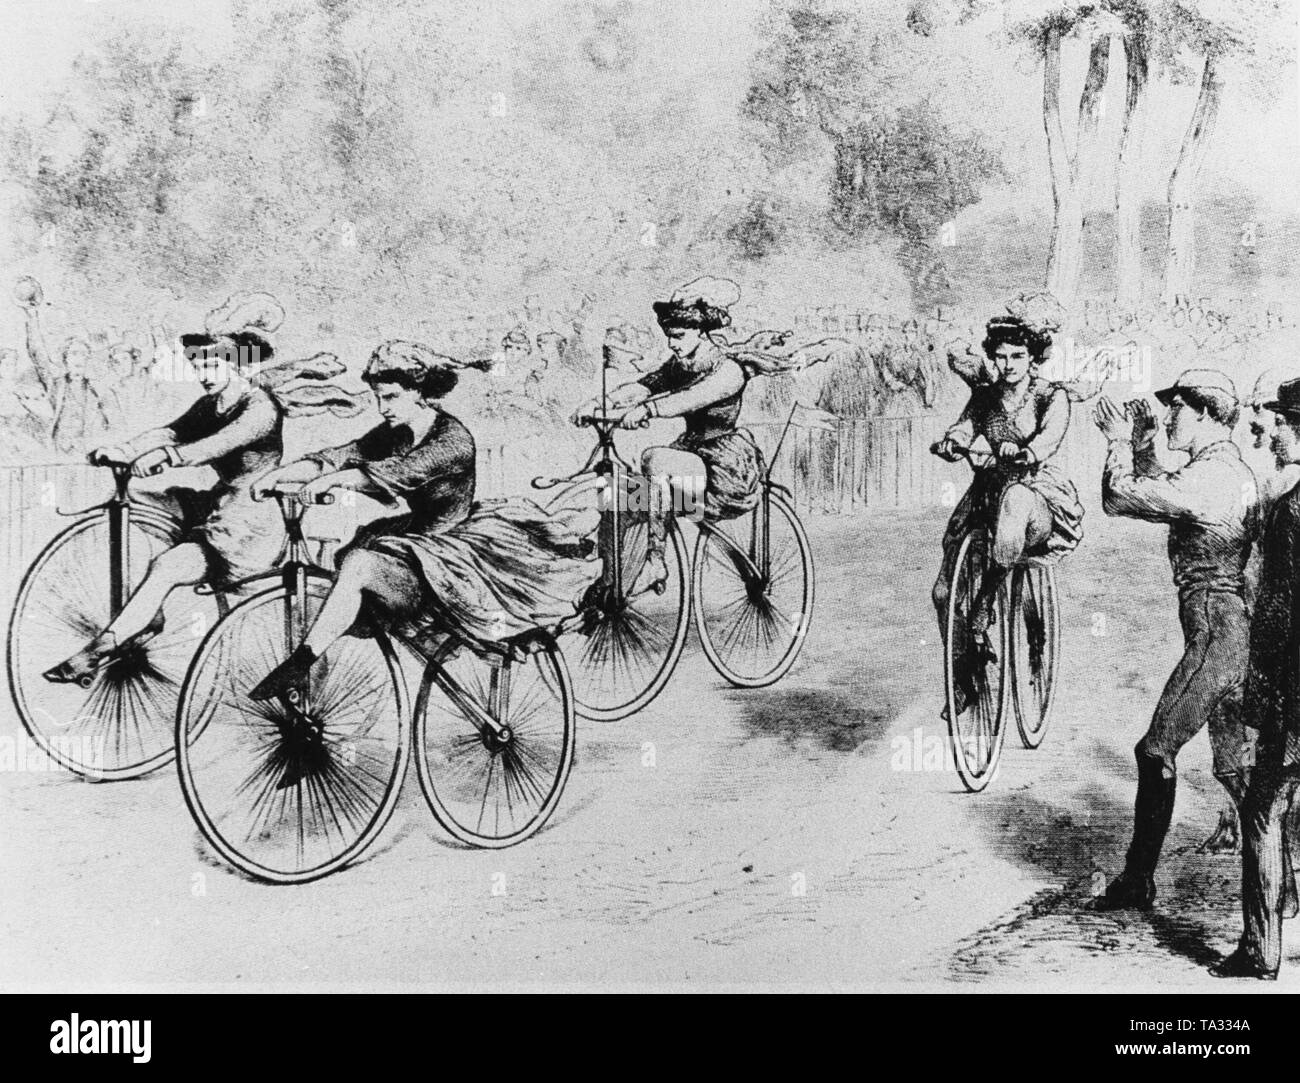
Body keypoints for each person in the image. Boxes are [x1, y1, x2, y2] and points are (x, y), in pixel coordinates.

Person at [245, 341, 594, 729]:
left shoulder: (452, 440)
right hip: (411, 544)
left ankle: (298, 665)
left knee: (359, 566)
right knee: (327, 589)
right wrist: (281, 475)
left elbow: (403, 471)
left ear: (421, 393)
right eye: (379, 398)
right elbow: (346, 452)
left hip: (449, 557)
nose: (384, 407)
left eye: (392, 397)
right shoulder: (396, 431)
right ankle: (310, 717)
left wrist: (338, 481)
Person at [1090, 370, 1280, 911]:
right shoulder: (1222, 469)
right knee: (1239, 773)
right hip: (1224, 628)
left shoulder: (1214, 477)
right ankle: (1284, 876)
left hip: (1217, 633)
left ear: (1202, 414)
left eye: (1175, 410)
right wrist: (1146, 440)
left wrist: (1116, 443)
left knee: (1156, 749)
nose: (1169, 417)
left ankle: (1137, 882)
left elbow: (1122, 496)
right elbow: (1162, 495)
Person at [42, 305, 286, 684]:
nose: (203, 375)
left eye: (212, 366)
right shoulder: (211, 404)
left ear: (236, 364)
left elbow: (215, 446)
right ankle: (146, 615)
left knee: (169, 566)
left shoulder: (260, 409)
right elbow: (171, 431)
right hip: (219, 505)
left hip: (250, 523)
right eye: (199, 367)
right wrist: (126, 449)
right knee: (147, 500)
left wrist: (169, 458)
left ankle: (104, 646)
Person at [571, 277, 766, 594]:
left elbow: (689, 398)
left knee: (654, 458)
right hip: (688, 464)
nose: (672, 344)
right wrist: (600, 404)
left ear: (701, 332)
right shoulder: (682, 364)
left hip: (724, 471)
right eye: (669, 337)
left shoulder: (729, 371)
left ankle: (655, 561)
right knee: (617, 494)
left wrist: (647, 411)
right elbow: (647, 384)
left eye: (678, 336)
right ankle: (607, 581)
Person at [931, 315, 1084, 715]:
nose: (1008, 365)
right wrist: (953, 442)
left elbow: (1050, 439)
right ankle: (964, 675)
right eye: (1000, 357)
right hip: (987, 490)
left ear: (1033, 358)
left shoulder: (1051, 396)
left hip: (1034, 493)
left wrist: (1026, 452)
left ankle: (985, 602)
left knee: (1015, 500)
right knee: (943, 593)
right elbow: (966, 426)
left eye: (1018, 356)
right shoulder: (984, 395)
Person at [1215, 378, 1300, 978]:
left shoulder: (1291, 508)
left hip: (1294, 695)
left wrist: (1258, 688)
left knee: (1264, 811)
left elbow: (1276, 610)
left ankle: (1260, 949)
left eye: (1285, 424)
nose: (1275, 432)